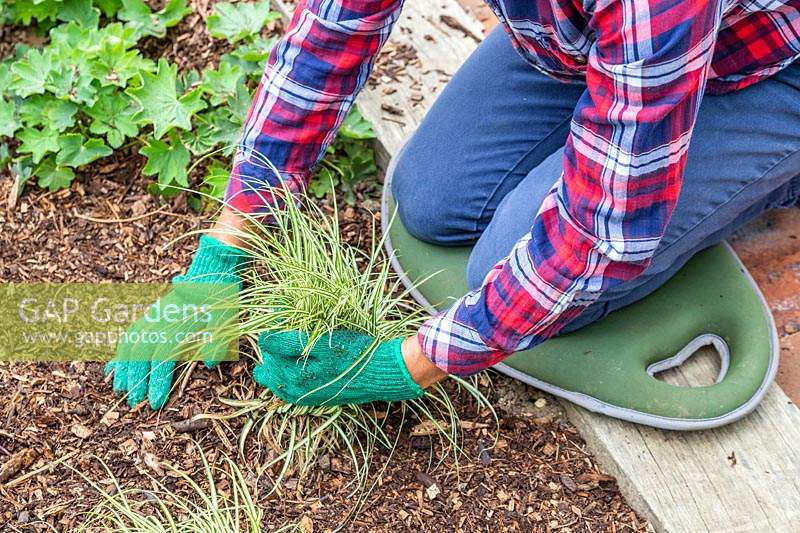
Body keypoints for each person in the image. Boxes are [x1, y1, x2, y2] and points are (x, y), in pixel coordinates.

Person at [107, 0, 800, 409]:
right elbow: (329, 36)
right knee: (431, 198)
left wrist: (406, 363)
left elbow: (602, 231)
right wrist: (227, 244)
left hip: (760, 65)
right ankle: (612, 91)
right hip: (588, 39)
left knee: (505, 265)